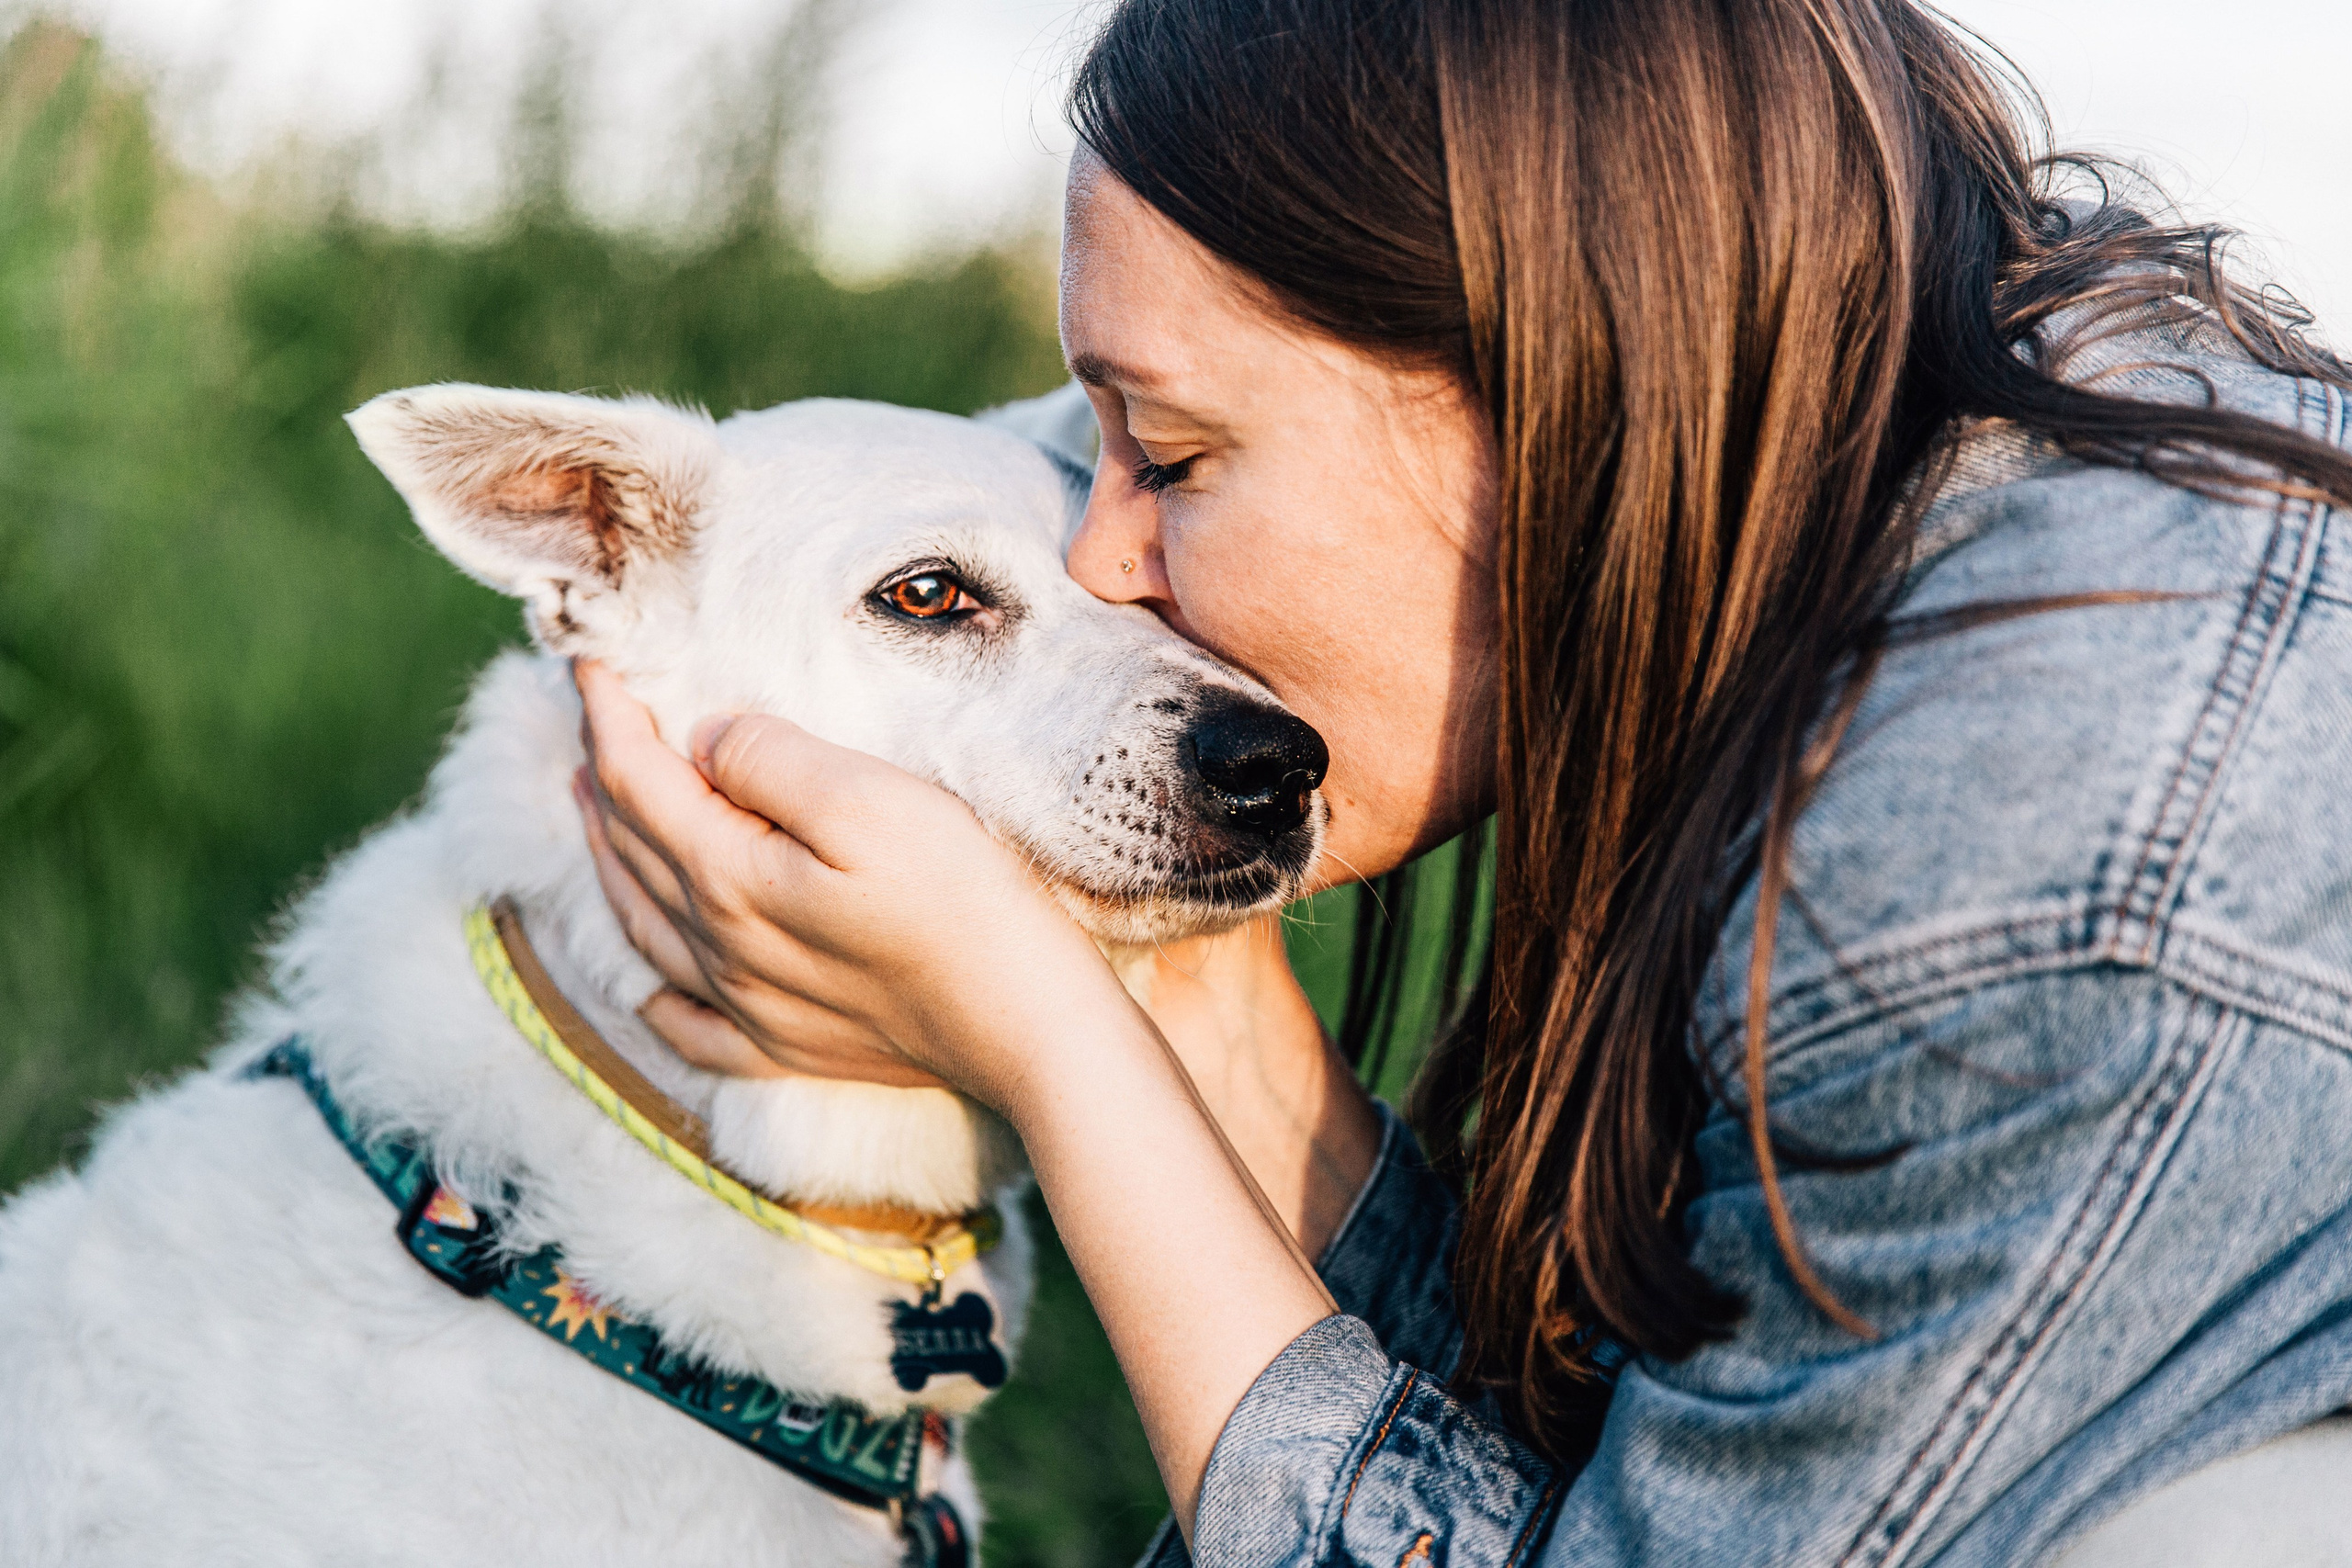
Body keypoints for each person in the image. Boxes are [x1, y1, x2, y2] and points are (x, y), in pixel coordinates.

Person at [570, 1, 2352, 1562]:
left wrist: (1053, 1041)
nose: (1107, 558)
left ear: (1533, 376)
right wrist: (1193, 996)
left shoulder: (2038, 877)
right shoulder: (1953, 436)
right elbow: (1594, 1480)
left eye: (1167, 452)